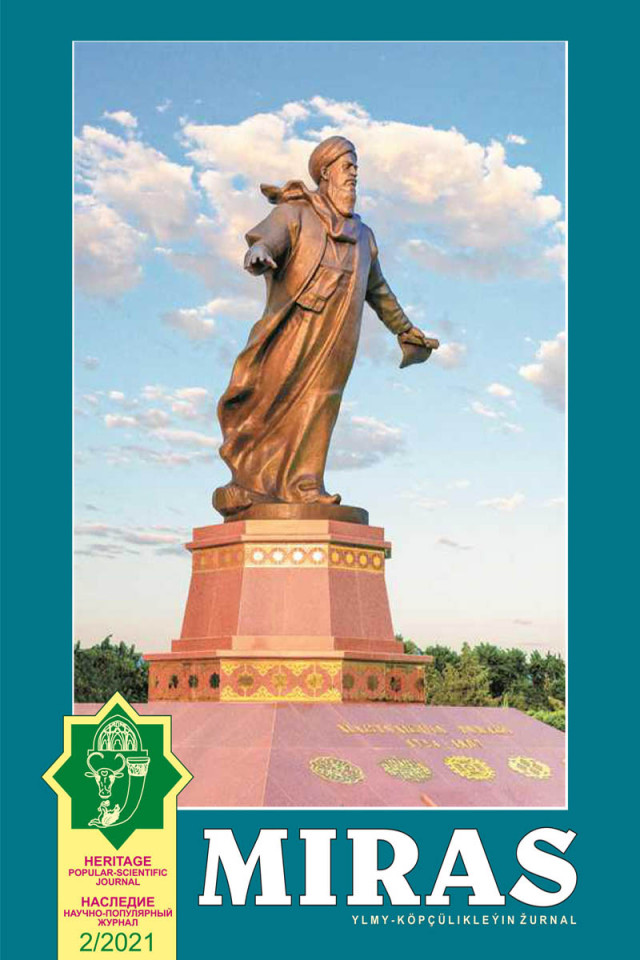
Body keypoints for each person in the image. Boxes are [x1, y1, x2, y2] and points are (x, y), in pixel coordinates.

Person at [214, 136, 437, 517]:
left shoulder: (364, 237)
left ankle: (306, 486)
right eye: (347, 166)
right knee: (269, 400)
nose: (353, 174)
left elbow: (378, 289)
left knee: (321, 404)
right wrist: (260, 251)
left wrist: (404, 329)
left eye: (356, 168)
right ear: (325, 172)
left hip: (337, 336)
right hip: (293, 331)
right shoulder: (297, 213)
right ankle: (249, 484)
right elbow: (269, 241)